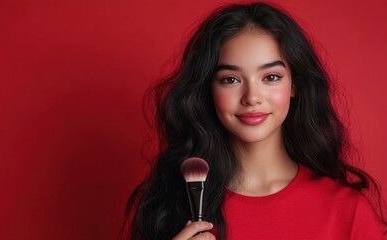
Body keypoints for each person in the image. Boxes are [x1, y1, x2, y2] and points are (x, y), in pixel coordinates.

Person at [121, 2, 386, 239]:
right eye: (230, 80)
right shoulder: (168, 208)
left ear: (295, 84)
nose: (251, 97)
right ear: (208, 90)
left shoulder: (347, 211)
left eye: (271, 77)